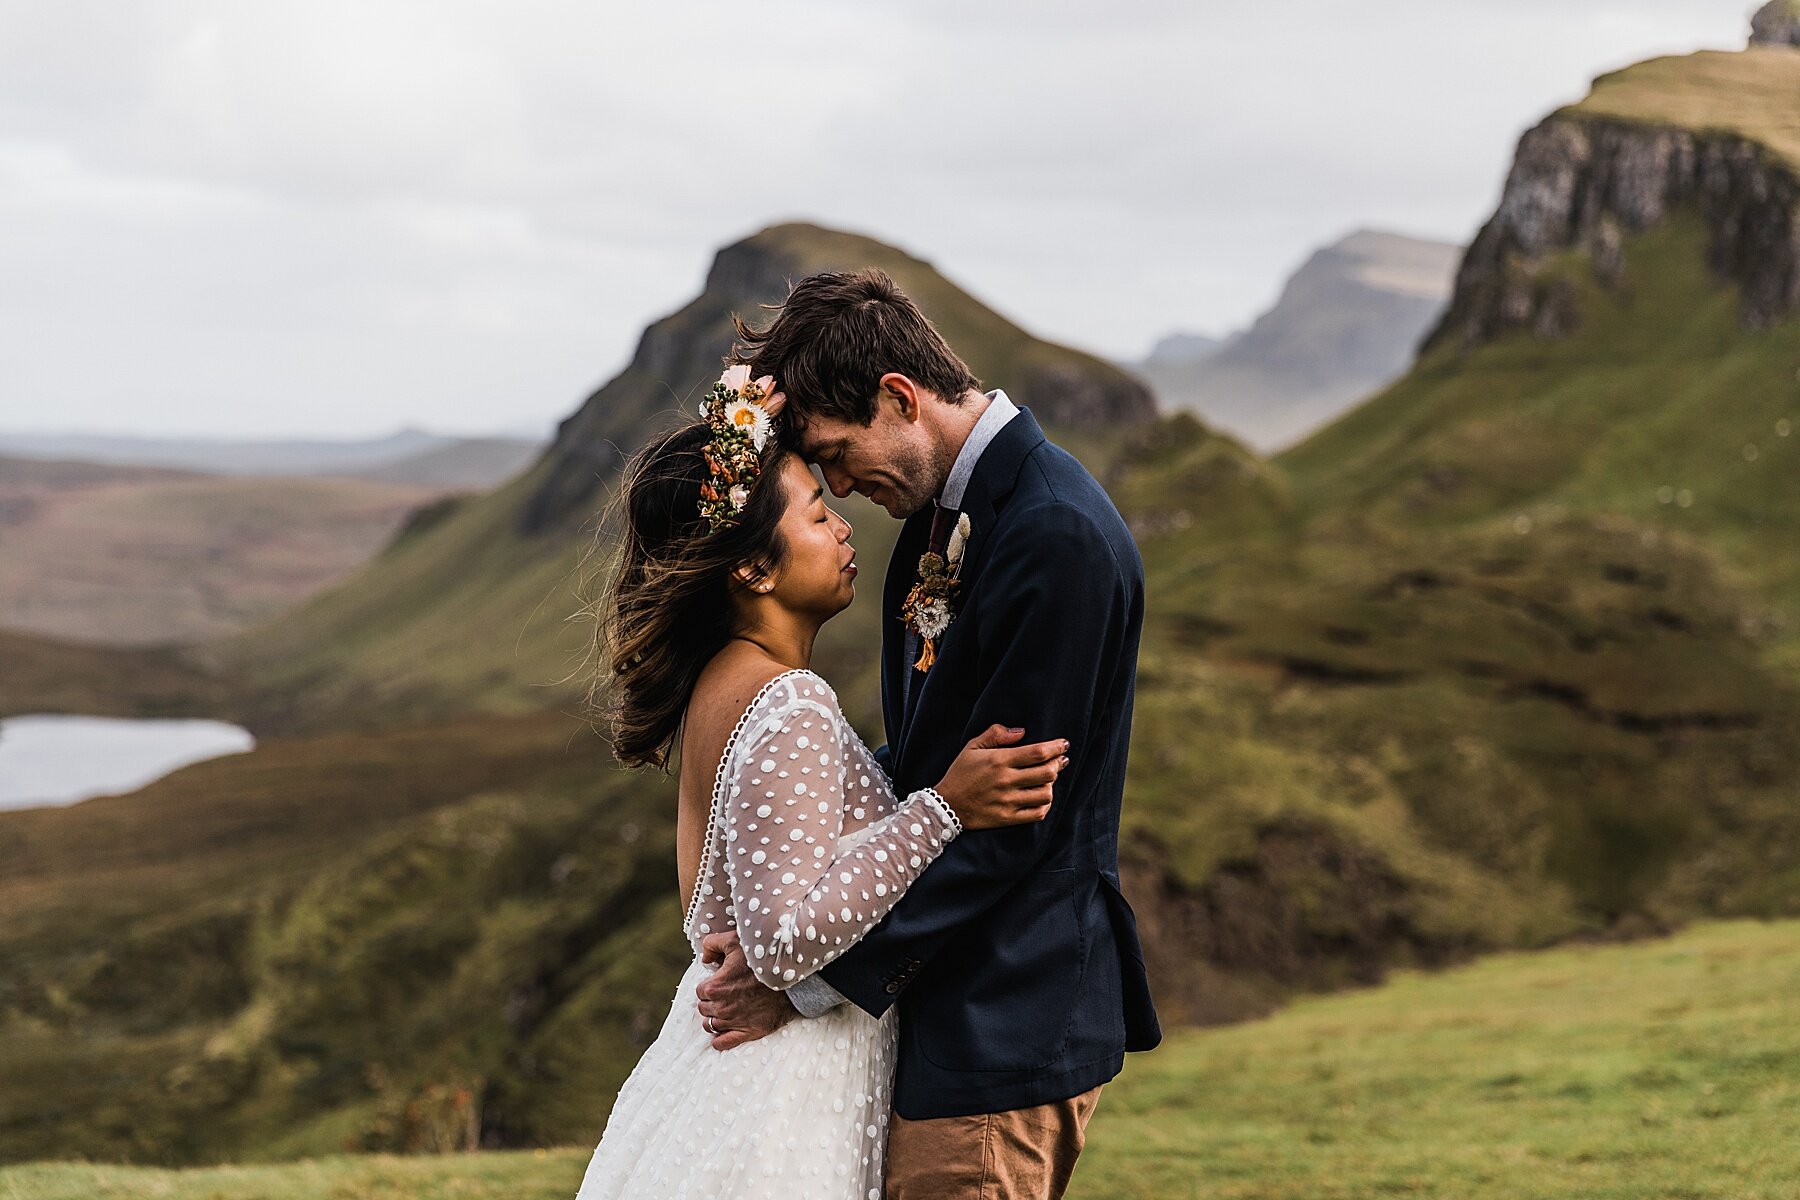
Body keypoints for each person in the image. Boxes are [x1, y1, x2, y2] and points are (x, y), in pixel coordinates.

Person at [694, 270, 1161, 1200]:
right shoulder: (943, 515)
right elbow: (921, 767)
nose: (836, 487)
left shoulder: (1052, 534)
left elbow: (1009, 825)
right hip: (948, 1010)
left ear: (898, 398)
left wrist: (802, 981)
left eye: (833, 451)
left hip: (1004, 1016)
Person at [574, 365, 1070, 1200]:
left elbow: (736, 894)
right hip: (782, 1088)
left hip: (720, 1073)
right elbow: (780, 943)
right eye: (814, 514)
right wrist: (944, 808)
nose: (844, 529)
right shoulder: (787, 702)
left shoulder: (718, 687)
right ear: (754, 571)